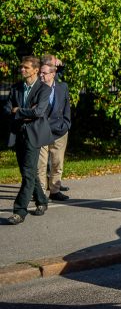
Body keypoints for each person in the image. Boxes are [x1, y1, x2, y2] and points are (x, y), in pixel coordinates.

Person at [4, 56, 54, 224]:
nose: (22, 70)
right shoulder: (16, 87)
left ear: (35, 70)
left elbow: (38, 112)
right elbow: (6, 109)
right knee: (29, 172)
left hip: (34, 135)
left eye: (26, 67)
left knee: (27, 173)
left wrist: (18, 111)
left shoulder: (44, 89)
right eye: (21, 67)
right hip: (18, 134)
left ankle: (19, 211)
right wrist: (24, 112)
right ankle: (42, 200)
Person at [37, 56, 72, 202]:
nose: (41, 75)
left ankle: (55, 190)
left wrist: (66, 124)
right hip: (41, 131)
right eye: (40, 73)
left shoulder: (62, 87)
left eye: (44, 73)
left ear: (53, 74)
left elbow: (66, 107)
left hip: (59, 131)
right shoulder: (36, 88)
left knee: (57, 163)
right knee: (41, 165)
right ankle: (40, 193)